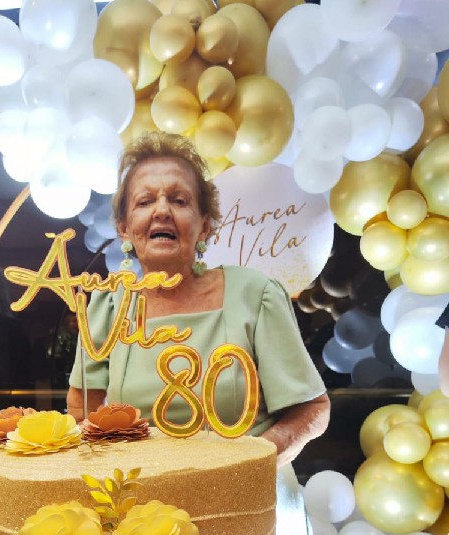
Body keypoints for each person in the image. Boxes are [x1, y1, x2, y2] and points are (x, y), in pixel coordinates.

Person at [66, 132, 330, 467]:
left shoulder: (255, 294)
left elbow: (312, 410)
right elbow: (81, 412)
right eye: (145, 202)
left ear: (204, 225)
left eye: (179, 200)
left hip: (241, 490)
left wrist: (248, 466)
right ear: (124, 228)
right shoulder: (107, 307)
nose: (162, 210)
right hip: (139, 494)